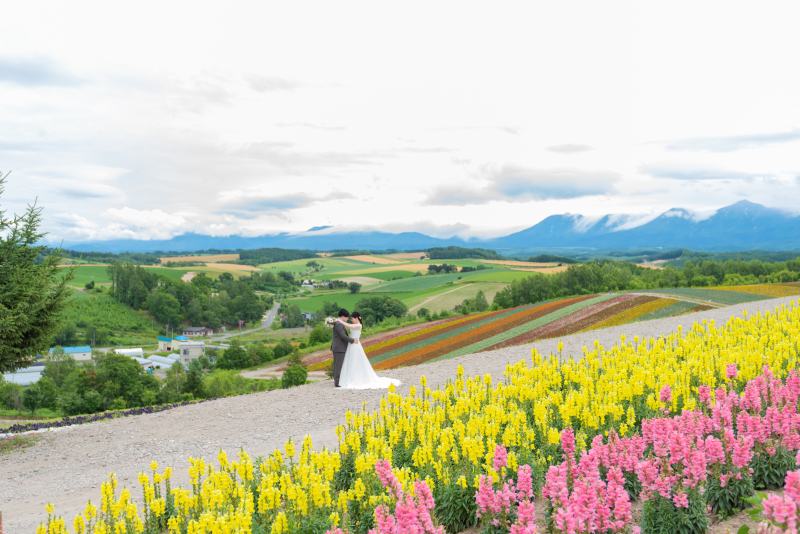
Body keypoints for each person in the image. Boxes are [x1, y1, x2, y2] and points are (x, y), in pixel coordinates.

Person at [336, 311, 402, 390]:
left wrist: (339, 320)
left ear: (357, 318)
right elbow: (348, 326)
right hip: (352, 344)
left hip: (355, 345)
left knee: (355, 360)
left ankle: (355, 378)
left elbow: (347, 325)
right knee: (351, 360)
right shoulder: (354, 325)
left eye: (352, 318)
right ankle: (350, 377)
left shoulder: (358, 326)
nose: (352, 320)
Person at [331, 308, 357, 387]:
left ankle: (338, 380)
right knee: (338, 365)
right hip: (339, 347)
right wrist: (352, 340)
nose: (347, 319)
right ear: (342, 316)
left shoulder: (338, 322)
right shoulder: (339, 324)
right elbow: (343, 336)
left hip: (339, 347)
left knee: (338, 364)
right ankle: (337, 382)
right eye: (346, 317)